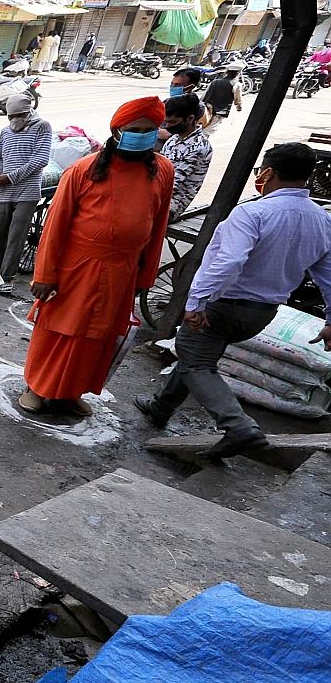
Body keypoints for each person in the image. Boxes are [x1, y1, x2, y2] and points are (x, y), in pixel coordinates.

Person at [136, 142, 331, 458]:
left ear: (268, 172)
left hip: (224, 305)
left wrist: (197, 302)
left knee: (196, 361)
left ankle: (239, 427)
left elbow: (228, 262)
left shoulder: (253, 211)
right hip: (262, 312)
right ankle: (160, 407)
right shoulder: (321, 219)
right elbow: (328, 275)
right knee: (195, 354)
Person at [19, 97, 172, 416]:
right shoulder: (83, 170)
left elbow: (157, 228)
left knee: (98, 339)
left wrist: (145, 277)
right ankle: (37, 386)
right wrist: (45, 274)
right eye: (134, 129)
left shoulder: (163, 171)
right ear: (117, 131)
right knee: (58, 331)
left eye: (148, 130)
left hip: (122, 272)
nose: (141, 135)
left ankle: (70, 391)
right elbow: (54, 226)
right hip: (76, 268)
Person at [0, 91, 53, 292]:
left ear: (28, 112)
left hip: (27, 191)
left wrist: (10, 177)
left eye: (19, 116)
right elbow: (0, 159)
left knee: (16, 237)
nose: (15, 120)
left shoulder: (42, 126)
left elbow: (40, 159)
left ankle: (6, 278)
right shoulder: (5, 132)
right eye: (11, 117)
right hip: (4, 191)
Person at [158, 92, 212, 220]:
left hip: (172, 205)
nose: (167, 126)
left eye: (172, 122)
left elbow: (173, 184)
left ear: (190, 119)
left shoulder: (199, 147)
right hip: (159, 196)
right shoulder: (174, 139)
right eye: (166, 122)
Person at [200, 62, 242, 132]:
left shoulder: (215, 81)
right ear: (237, 73)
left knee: (202, 127)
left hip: (207, 109)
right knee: (208, 131)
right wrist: (239, 107)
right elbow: (237, 100)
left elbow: (204, 96)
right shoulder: (236, 84)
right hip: (220, 111)